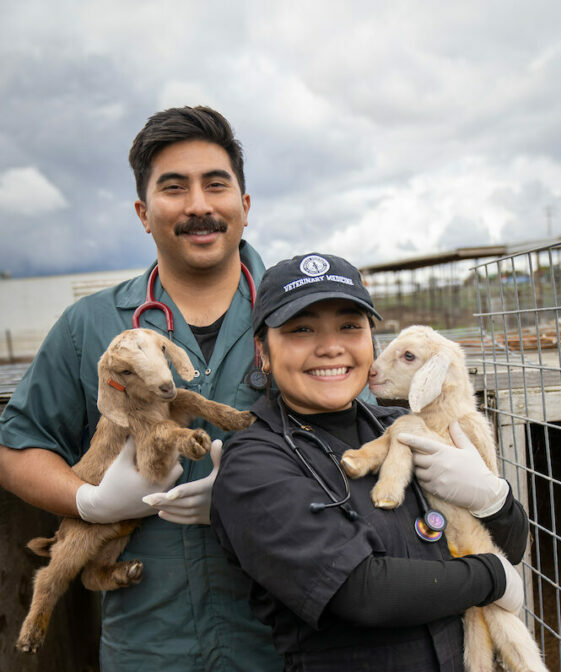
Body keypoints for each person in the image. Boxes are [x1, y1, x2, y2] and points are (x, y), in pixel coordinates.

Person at [0, 106, 281, 671]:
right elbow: (15, 449)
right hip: (152, 644)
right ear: (143, 212)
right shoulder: (89, 327)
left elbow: (354, 439)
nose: (199, 205)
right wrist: (90, 501)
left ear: (244, 207)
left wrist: (261, 495)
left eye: (216, 185)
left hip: (282, 637)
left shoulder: (296, 314)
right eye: (173, 188)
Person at [210, 252, 530, 671]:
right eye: (302, 329)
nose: (331, 347)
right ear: (263, 352)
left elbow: (512, 542)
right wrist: (493, 577)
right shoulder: (255, 464)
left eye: (350, 326)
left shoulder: (405, 425)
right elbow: (361, 592)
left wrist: (493, 498)